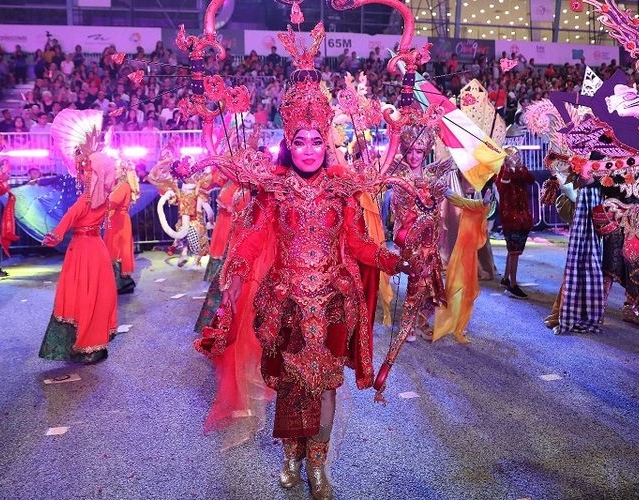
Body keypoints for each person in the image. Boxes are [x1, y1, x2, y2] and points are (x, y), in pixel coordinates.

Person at [196, 33, 408, 498]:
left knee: (327, 385)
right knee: (293, 384)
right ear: (288, 142)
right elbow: (251, 240)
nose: (310, 148)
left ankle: (319, 465)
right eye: (300, 140)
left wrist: (391, 258)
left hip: (334, 301)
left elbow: (354, 243)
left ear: (325, 141)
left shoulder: (341, 188)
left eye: (316, 140)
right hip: (285, 302)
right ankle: (291, 457)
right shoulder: (273, 189)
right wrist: (233, 271)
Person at [38, 110, 117, 363]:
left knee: (86, 296)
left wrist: (55, 236)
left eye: (85, 170)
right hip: (92, 250)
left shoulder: (86, 201)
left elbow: (67, 222)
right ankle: (93, 342)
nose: (81, 174)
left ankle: (88, 343)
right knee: (94, 295)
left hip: (85, 251)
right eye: (81, 169)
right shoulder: (104, 199)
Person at [391, 128, 447, 342]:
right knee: (417, 281)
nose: (414, 156)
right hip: (410, 235)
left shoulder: (431, 174)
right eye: (410, 151)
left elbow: (435, 206)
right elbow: (400, 210)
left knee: (430, 282)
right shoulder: (400, 175)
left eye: (419, 152)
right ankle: (407, 326)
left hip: (430, 237)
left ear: (426, 153)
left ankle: (420, 320)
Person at [432, 178, 494, 344]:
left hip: (459, 251)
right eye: (466, 183)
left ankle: (455, 322)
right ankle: (446, 321)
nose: (469, 185)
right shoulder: (475, 202)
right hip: (451, 249)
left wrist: (481, 203)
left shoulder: (474, 201)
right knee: (453, 285)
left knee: (460, 284)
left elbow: (462, 202)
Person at [495, 146, 534, 298]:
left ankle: (506, 278)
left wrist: (519, 168)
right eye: (512, 156)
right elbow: (502, 185)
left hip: (523, 217)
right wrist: (508, 168)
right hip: (511, 218)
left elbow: (531, 179)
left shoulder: (521, 172)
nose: (516, 158)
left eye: (517, 155)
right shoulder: (502, 173)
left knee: (513, 251)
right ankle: (513, 284)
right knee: (514, 251)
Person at [103, 160, 139, 294]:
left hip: (120, 221)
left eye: (115, 169)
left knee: (117, 248)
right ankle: (116, 281)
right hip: (115, 220)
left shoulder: (124, 186)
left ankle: (120, 282)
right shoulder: (116, 185)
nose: (113, 172)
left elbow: (112, 203)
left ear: (123, 171)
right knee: (113, 247)